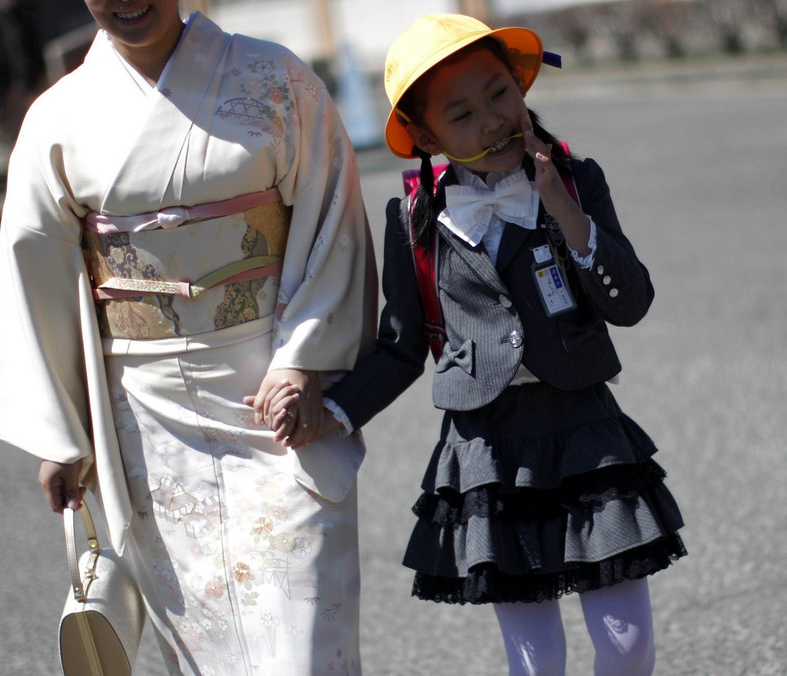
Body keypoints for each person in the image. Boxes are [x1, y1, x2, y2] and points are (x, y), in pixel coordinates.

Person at [260, 14, 686, 676]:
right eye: (461, 113)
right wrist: (335, 411)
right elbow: (401, 347)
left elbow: (631, 302)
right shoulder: (413, 218)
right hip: (484, 450)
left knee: (626, 644)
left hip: (587, 433)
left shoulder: (577, 181)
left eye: (498, 93)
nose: (491, 119)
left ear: (521, 88)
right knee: (536, 658)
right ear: (427, 136)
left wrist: (566, 212)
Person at [0, 2, 375, 673]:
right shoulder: (58, 117)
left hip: (273, 398)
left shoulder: (275, 81)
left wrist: (306, 361)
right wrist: (62, 435)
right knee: (204, 649)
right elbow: (35, 269)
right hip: (147, 418)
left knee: (301, 647)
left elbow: (333, 216)